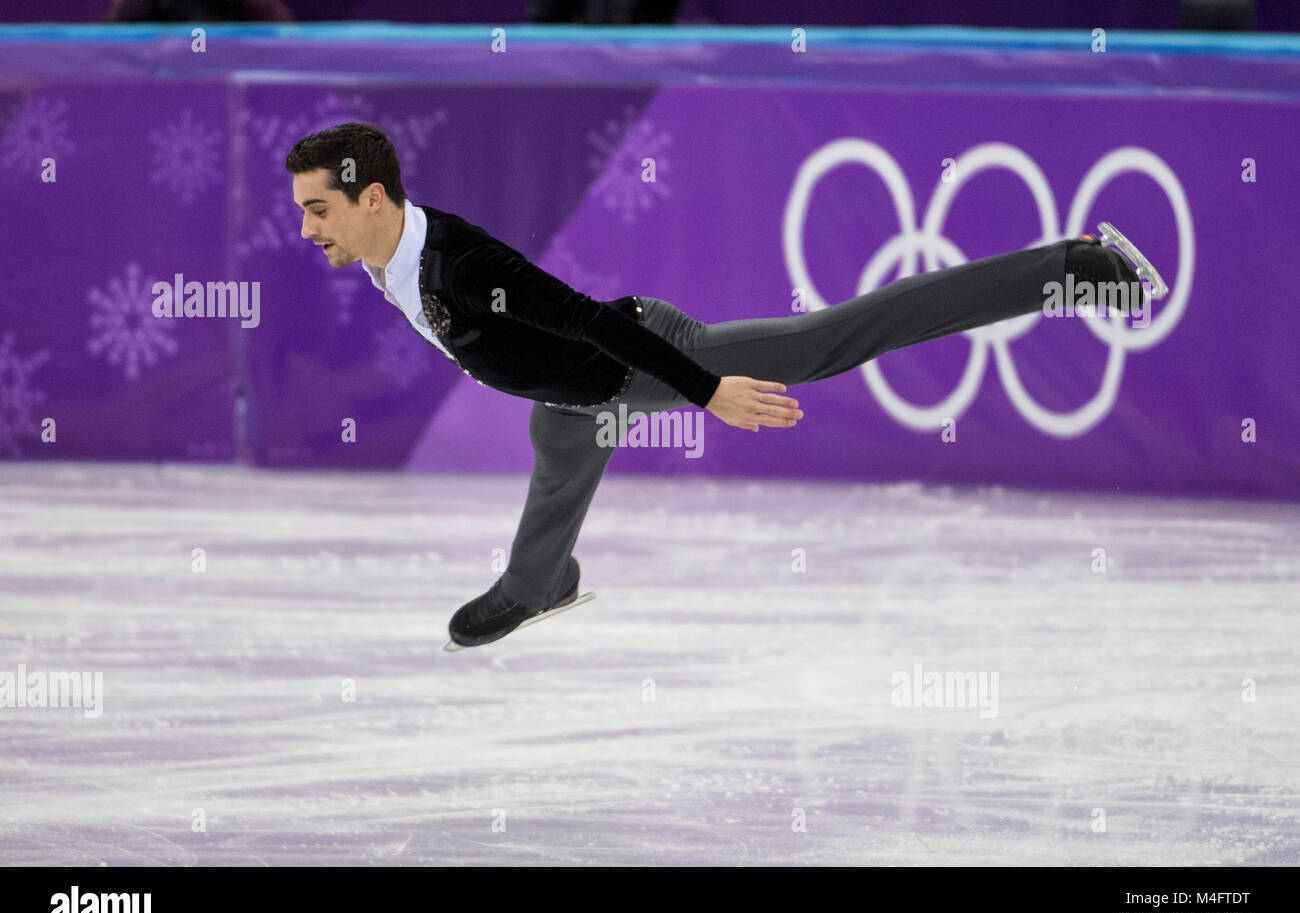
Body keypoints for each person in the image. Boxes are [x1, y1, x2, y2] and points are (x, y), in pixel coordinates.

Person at [285, 122, 1161, 651]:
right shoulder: (381, 247)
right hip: (576, 396)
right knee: (559, 440)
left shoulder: (462, 265)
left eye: (318, 210)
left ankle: (1074, 268)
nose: (306, 228)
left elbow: (591, 320)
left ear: (372, 199)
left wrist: (704, 391)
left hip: (640, 358)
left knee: (825, 342)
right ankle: (536, 584)